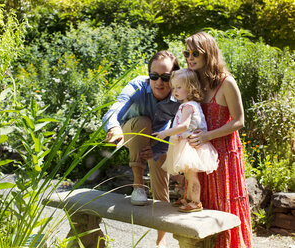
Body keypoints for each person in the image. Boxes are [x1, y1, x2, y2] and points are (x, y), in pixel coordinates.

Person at [102, 50, 180, 247]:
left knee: (161, 191)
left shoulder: (179, 94)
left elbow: (178, 127)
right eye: (154, 76)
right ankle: (138, 186)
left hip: (158, 138)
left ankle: (160, 241)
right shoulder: (137, 86)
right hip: (132, 131)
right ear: (149, 76)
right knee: (143, 122)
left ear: (174, 77)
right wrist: (113, 127)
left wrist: (159, 149)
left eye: (165, 77)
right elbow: (116, 108)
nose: (159, 82)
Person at [185, 32, 253, 247]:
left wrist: (207, 136)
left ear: (209, 53)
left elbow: (239, 121)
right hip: (200, 154)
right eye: (187, 53)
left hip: (223, 153)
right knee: (200, 203)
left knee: (223, 205)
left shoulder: (226, 82)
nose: (190, 57)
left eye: (196, 53)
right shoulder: (193, 80)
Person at [153, 68, 219, 212]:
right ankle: (189, 199)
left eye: (179, 87)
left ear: (190, 88)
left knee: (192, 175)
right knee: (189, 175)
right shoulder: (188, 104)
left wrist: (165, 133)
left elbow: (183, 126)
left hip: (190, 145)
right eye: (173, 88)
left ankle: (196, 202)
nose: (174, 91)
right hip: (186, 143)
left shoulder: (188, 106)